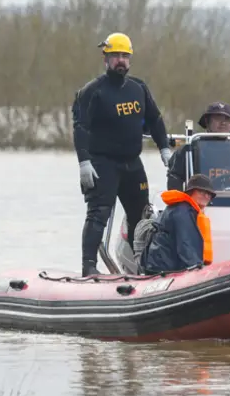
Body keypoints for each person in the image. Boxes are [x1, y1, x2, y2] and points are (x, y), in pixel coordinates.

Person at [71, 31, 174, 276]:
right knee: (98, 215)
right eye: (115, 55)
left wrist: (165, 149)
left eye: (125, 56)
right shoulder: (92, 91)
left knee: (142, 218)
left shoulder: (138, 88)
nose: (121, 60)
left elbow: (155, 119)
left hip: (132, 163)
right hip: (102, 163)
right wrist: (84, 162)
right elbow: (81, 128)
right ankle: (89, 268)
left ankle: (144, 266)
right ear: (105, 58)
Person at [166, 101, 230, 191]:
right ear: (207, 122)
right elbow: (174, 178)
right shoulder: (190, 150)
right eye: (218, 118)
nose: (223, 122)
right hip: (201, 206)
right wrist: (182, 204)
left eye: (227, 119)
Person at [138, 174, 216, 274]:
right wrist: (198, 270)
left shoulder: (184, 208)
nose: (206, 196)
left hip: (161, 265)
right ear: (191, 192)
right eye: (201, 192)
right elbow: (186, 244)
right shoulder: (183, 212)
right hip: (163, 270)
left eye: (209, 194)